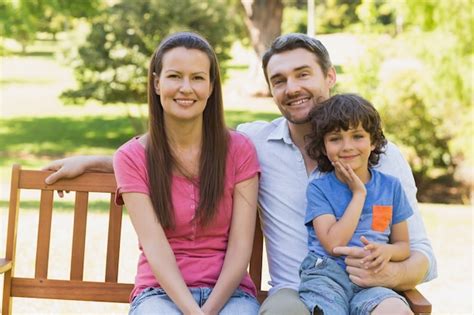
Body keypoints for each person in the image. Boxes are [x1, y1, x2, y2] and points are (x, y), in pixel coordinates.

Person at [43, 33, 437, 315]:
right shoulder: (255, 143)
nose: (293, 88)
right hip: (294, 296)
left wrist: (387, 271)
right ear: (269, 90)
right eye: (279, 80)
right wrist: (97, 161)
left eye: (304, 74)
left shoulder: (383, 160)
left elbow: (422, 257)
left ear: (329, 77)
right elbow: (172, 151)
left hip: (368, 290)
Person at [98, 32, 260, 314]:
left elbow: (240, 247)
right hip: (159, 293)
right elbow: (155, 246)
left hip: (230, 294)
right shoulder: (131, 157)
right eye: (175, 76)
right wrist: (192, 311)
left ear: (211, 87)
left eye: (197, 78)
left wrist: (208, 311)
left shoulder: (239, 149)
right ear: (157, 83)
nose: (186, 88)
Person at [298, 93, 413, 314]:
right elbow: (333, 244)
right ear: (323, 147)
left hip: (373, 278)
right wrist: (359, 194)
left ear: (374, 142)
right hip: (327, 275)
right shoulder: (319, 188)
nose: (347, 146)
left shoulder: (391, 187)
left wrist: (387, 251)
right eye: (335, 138)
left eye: (357, 136)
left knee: (396, 310)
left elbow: (403, 246)